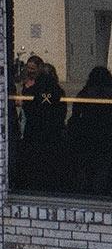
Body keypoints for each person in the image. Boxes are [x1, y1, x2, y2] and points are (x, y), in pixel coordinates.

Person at [17, 55, 67, 191]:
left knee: (36, 163)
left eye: (33, 68)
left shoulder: (38, 88)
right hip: (48, 133)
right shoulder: (56, 90)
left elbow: (32, 107)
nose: (30, 71)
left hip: (36, 132)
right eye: (28, 68)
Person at [65, 65, 112, 196]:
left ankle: (86, 192)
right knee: (103, 169)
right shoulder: (109, 94)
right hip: (106, 137)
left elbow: (75, 116)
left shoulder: (85, 93)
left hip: (86, 137)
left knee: (85, 168)